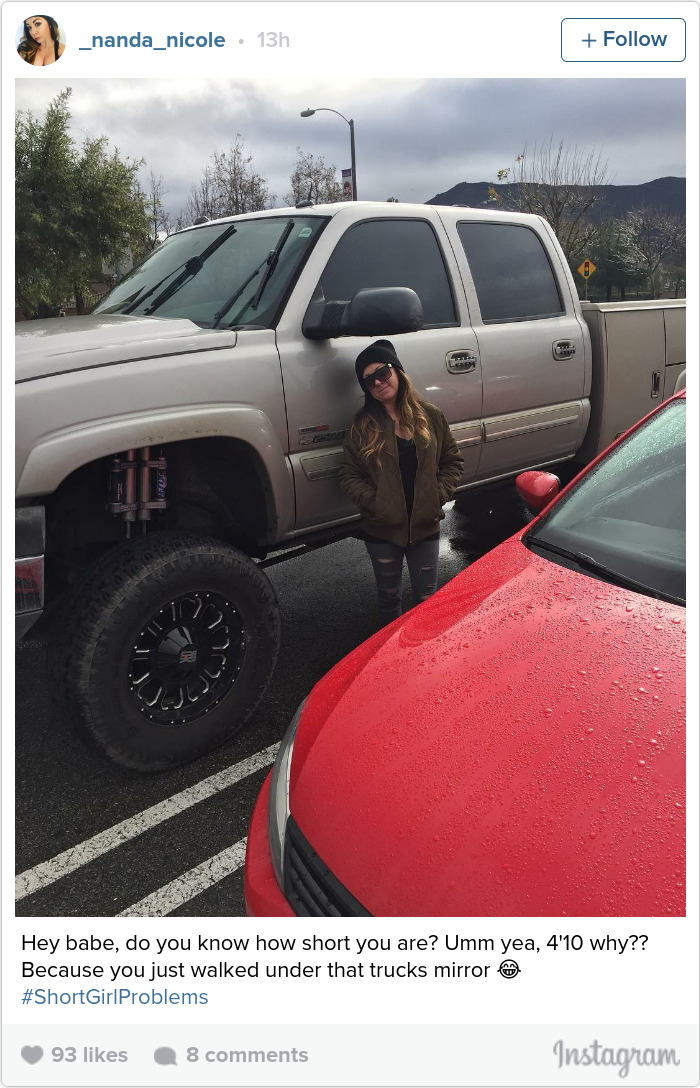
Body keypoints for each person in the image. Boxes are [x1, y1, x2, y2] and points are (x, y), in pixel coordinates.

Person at [339, 340, 463, 624]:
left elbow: (452, 461)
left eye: (382, 372)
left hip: (425, 526)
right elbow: (348, 473)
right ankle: (389, 662)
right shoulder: (363, 425)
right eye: (369, 380)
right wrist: (376, 503)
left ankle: (424, 660)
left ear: (397, 371)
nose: (378, 382)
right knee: (389, 600)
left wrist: (437, 495)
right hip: (382, 531)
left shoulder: (430, 415)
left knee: (427, 602)